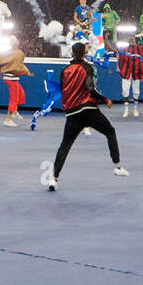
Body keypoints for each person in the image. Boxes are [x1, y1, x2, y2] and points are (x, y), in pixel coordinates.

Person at [47, 42, 128, 190]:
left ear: (72, 53)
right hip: (89, 110)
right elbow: (90, 88)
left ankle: (54, 179)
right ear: (84, 53)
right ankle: (117, 166)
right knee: (110, 132)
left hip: (72, 114)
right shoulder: (87, 68)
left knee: (64, 146)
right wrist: (105, 99)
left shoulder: (64, 71)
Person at [0, 36, 31, 127]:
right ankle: (8, 119)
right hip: (11, 79)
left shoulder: (6, 53)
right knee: (14, 99)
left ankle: (15, 111)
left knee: (21, 94)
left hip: (9, 78)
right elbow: (19, 65)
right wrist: (26, 71)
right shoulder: (19, 54)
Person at [116, 37, 143, 119]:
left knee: (136, 92)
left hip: (136, 73)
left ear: (135, 41)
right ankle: (126, 109)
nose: (131, 41)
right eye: (130, 40)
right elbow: (114, 50)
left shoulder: (140, 49)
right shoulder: (123, 50)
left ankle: (135, 108)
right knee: (125, 91)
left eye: (132, 40)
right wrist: (108, 40)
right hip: (126, 73)